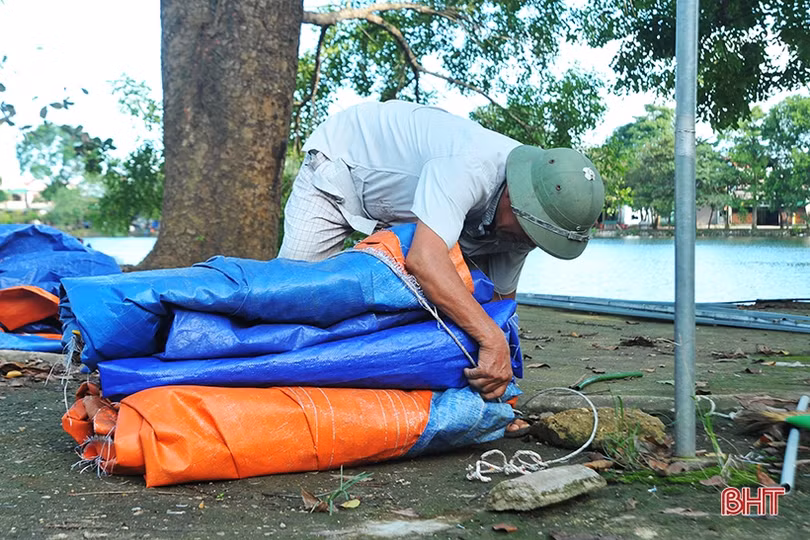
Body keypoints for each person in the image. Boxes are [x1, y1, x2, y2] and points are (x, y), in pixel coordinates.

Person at [279, 100, 605, 407]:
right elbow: (425, 262)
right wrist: (491, 338)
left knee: (438, 311)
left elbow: (501, 305)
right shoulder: (470, 166)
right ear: (515, 200)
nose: (531, 243)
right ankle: (261, 385)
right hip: (342, 165)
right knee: (293, 302)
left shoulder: (521, 228)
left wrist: (504, 395)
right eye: (532, 233)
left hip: (405, 208)